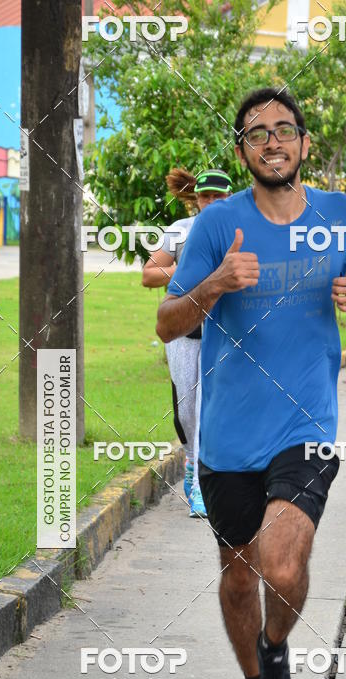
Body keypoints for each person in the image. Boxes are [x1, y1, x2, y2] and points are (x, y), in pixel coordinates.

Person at [156, 87, 346, 679]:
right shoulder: (214, 226)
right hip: (228, 434)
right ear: (243, 150)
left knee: (281, 569)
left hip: (305, 424)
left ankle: (277, 649)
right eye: (258, 133)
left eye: (285, 129)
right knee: (237, 576)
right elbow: (168, 321)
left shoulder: (340, 213)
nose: (273, 141)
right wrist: (216, 284)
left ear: (305, 143)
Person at [143, 168, 232, 516]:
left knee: (208, 406)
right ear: (197, 199)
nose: (211, 203)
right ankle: (192, 464)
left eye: (218, 197)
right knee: (186, 409)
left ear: (228, 198)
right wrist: (183, 270)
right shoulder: (180, 232)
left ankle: (200, 487)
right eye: (205, 197)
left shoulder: (240, 232)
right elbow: (149, 275)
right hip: (183, 331)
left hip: (222, 331)